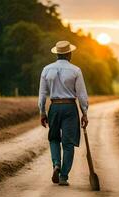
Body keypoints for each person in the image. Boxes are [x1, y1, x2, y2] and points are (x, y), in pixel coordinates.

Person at [38, 40, 89, 186]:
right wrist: (84, 113)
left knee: (54, 138)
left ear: (57, 54)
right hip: (70, 108)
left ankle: (56, 164)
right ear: (69, 54)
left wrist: (42, 112)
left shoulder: (46, 69)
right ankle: (64, 177)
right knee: (68, 143)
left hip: (54, 107)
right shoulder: (76, 70)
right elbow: (82, 95)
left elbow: (42, 94)